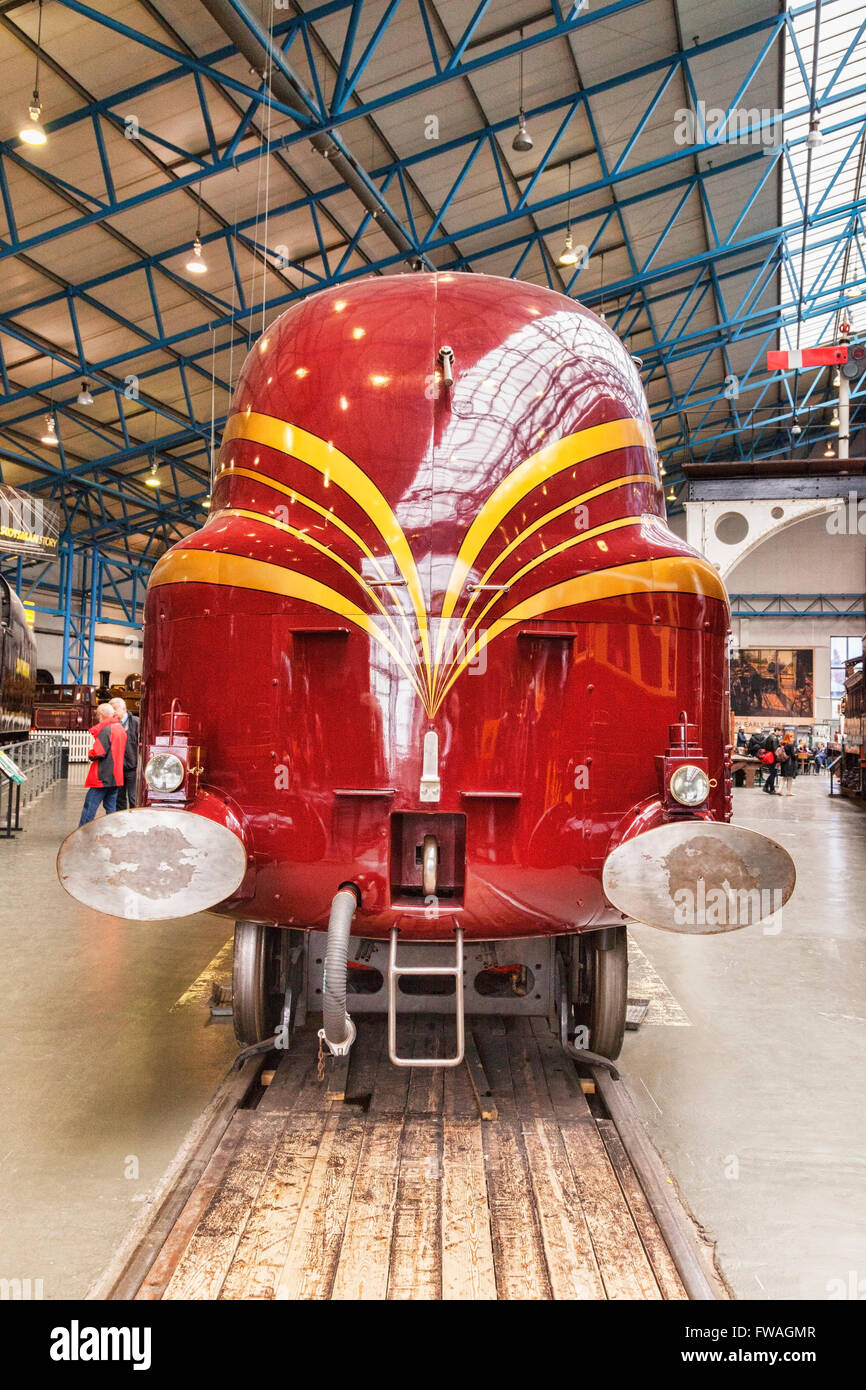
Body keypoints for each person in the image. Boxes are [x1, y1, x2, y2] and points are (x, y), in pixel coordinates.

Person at [78, 703, 127, 825]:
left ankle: (82, 831)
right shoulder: (120, 728)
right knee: (111, 807)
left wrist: (90, 753)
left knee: (90, 806)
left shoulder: (106, 730)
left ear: (102, 714)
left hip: (102, 775)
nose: (97, 717)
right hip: (116, 776)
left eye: (98, 714)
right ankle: (114, 829)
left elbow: (98, 752)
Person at [111, 696, 139, 811]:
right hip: (117, 768)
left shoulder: (137, 722)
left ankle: (135, 822)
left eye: (115, 709)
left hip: (133, 767)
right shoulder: (112, 724)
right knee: (119, 798)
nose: (113, 712)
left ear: (123, 709)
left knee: (133, 798)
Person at [762, 728, 780, 794]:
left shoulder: (769, 737)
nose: (780, 733)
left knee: (772, 773)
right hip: (773, 758)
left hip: (769, 757)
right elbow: (775, 750)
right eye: (780, 731)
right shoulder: (774, 738)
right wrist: (778, 759)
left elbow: (765, 747)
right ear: (777, 731)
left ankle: (766, 786)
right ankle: (772, 789)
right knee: (773, 773)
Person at [779, 732, 797, 797]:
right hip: (790, 762)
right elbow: (792, 755)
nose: (793, 738)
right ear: (789, 737)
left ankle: (779, 790)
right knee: (790, 777)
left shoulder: (783, 744)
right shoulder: (790, 745)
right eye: (792, 737)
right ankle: (788, 792)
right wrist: (796, 758)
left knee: (784, 777)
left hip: (784, 762)